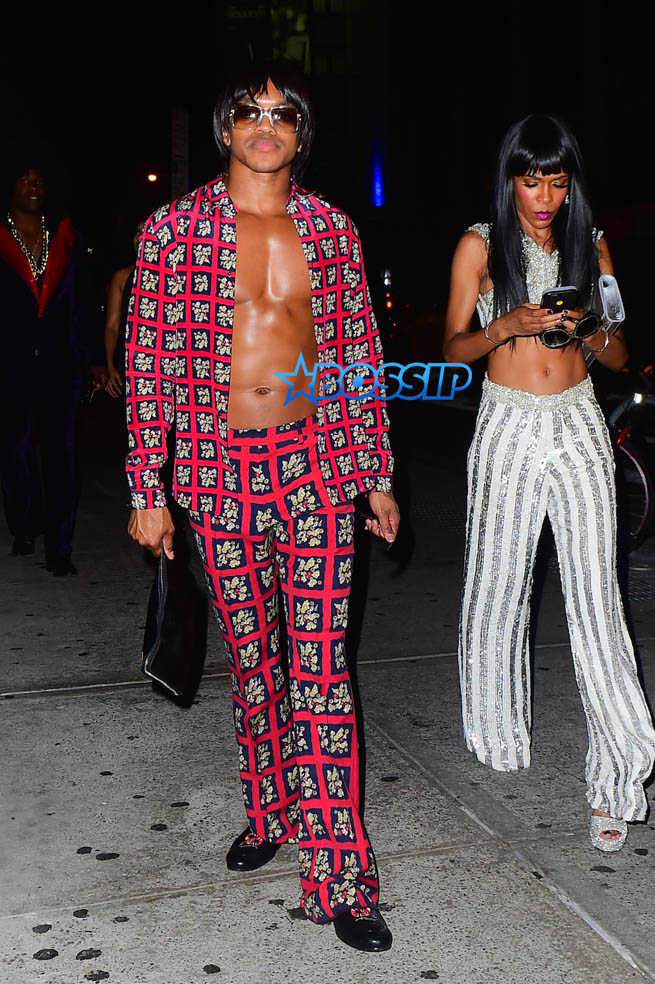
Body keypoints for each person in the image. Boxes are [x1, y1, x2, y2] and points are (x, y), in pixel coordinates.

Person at [125, 62, 399, 950]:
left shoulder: (333, 231)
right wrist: (148, 487)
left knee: (321, 671)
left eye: (283, 113)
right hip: (215, 471)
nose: (266, 124)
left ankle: (342, 874)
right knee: (255, 665)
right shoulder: (173, 231)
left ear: (301, 132)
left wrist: (374, 473)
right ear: (226, 127)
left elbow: (354, 358)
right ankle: (270, 806)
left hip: (314, 465)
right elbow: (149, 368)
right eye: (250, 111)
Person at [443, 114, 655, 852]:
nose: (543, 197)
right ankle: (497, 733)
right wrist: (506, 327)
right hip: (506, 425)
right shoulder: (478, 245)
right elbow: (452, 349)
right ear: (510, 179)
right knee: (496, 588)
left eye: (557, 182)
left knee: (597, 602)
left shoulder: (591, 245)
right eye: (531, 181)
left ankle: (617, 777)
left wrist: (585, 329)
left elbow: (621, 353)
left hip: (578, 423)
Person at [0, 163, 105, 575]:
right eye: (25, 179)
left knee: (61, 455)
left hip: (61, 364)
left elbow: (83, 302)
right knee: (15, 453)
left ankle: (59, 548)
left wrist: (95, 359)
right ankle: (24, 525)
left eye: (40, 180)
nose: (33, 186)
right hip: (9, 364)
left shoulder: (65, 236)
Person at [104, 221, 144, 399]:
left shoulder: (176, 276)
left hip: (166, 366)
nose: (140, 237)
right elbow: (112, 326)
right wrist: (110, 365)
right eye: (137, 232)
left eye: (146, 231)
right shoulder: (122, 277)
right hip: (129, 366)